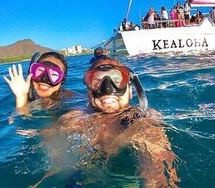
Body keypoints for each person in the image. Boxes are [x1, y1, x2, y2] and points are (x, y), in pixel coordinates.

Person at [42, 57, 179, 187]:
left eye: (117, 80)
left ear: (130, 91)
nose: (107, 88)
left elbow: (156, 174)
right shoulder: (72, 119)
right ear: (88, 92)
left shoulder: (141, 121)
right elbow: (50, 151)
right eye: (97, 82)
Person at [4, 51, 75, 115]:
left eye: (54, 74)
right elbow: (13, 121)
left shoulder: (72, 102)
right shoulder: (33, 97)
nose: (44, 79)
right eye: (40, 70)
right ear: (31, 73)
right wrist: (21, 96)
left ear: (62, 80)